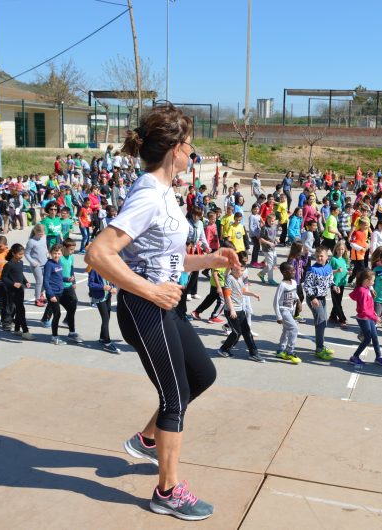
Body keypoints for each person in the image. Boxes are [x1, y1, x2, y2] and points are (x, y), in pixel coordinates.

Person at [86, 106, 240, 521]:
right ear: (174, 149)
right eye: (190, 146)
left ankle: (149, 440)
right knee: (175, 397)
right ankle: (167, 492)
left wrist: (210, 260)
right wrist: (150, 290)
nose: (194, 154)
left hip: (163, 304)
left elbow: (166, 259)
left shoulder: (165, 194)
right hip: (144, 308)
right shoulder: (148, 194)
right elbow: (98, 253)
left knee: (201, 376)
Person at [219, 262, 263, 362]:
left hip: (240, 309)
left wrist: (253, 294)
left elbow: (242, 290)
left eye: (243, 270)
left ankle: (253, 353)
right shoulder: (229, 279)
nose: (242, 272)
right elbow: (227, 296)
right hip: (232, 311)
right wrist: (232, 309)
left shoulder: (239, 278)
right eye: (240, 270)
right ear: (233, 269)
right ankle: (224, 349)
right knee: (236, 333)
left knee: (247, 332)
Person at [349, 269, 382, 367]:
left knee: (375, 337)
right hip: (364, 318)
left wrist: (374, 314)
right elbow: (363, 310)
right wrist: (375, 318)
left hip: (369, 317)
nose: (373, 282)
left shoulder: (366, 288)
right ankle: (354, 357)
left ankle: (378, 357)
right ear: (366, 280)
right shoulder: (362, 291)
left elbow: (369, 306)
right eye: (372, 280)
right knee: (367, 339)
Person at [303, 246, 336, 361]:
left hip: (322, 298)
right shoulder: (312, 270)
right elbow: (306, 285)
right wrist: (312, 298)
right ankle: (319, 349)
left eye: (321, 256)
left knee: (323, 322)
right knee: (320, 322)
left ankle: (320, 345)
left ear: (327, 256)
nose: (319, 258)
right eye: (317, 256)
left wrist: (334, 286)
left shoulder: (328, 267)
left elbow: (330, 280)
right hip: (314, 299)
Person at [1, 243, 34, 341]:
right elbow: (3, 278)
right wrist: (13, 284)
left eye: (22, 254)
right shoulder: (9, 265)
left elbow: (20, 274)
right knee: (21, 310)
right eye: (19, 254)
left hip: (20, 290)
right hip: (12, 291)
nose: (21, 256)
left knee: (19, 309)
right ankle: (25, 331)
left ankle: (16, 329)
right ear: (13, 253)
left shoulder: (20, 262)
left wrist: (26, 281)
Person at [273, 262, 301, 364]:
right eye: (292, 270)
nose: (294, 271)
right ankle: (290, 351)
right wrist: (278, 316)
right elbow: (275, 301)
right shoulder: (282, 285)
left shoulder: (293, 282)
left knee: (287, 330)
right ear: (285, 273)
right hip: (283, 310)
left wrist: (298, 301)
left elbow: (294, 293)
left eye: (294, 269)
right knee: (294, 328)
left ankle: (281, 350)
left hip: (290, 310)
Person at [88, 265, 121, 353]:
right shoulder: (94, 270)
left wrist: (113, 287)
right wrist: (103, 287)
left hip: (107, 296)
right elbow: (90, 284)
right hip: (99, 297)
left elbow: (112, 280)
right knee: (105, 318)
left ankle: (102, 338)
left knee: (107, 318)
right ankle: (107, 342)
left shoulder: (108, 268)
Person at [25, 224, 48, 307]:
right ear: (35, 231)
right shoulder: (31, 241)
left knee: (45, 281)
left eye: (42, 233)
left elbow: (45, 248)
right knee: (39, 281)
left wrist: (48, 254)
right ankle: (37, 299)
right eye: (40, 234)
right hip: (36, 265)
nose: (41, 235)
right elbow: (26, 254)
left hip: (45, 263)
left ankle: (42, 294)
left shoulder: (43, 238)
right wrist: (32, 262)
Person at [328, 241, 349, 328]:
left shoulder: (344, 260)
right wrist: (336, 271)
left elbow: (346, 269)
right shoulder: (333, 259)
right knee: (337, 302)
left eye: (342, 249)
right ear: (335, 249)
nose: (341, 251)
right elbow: (328, 271)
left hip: (342, 283)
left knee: (338, 301)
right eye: (339, 249)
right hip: (334, 284)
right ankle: (342, 319)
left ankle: (332, 316)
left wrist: (349, 273)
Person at [257, 214, 278, 286]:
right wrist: (268, 243)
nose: (271, 222)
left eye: (273, 221)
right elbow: (260, 239)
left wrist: (276, 240)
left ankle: (261, 274)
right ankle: (270, 279)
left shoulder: (274, 227)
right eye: (270, 221)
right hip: (266, 249)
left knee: (273, 264)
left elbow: (273, 236)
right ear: (267, 220)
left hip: (273, 248)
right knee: (270, 265)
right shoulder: (264, 228)